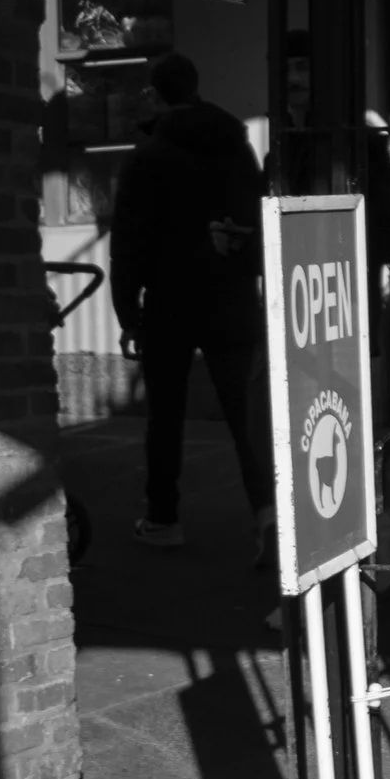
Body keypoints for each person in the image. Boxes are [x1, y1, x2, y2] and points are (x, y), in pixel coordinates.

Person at [109, 50, 274, 553]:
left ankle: (164, 518)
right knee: (247, 416)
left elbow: (128, 241)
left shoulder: (148, 157)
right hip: (231, 296)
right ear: (198, 88)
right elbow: (257, 216)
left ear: (159, 96)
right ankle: (267, 515)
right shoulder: (236, 146)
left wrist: (127, 313)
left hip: (169, 300)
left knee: (164, 416)